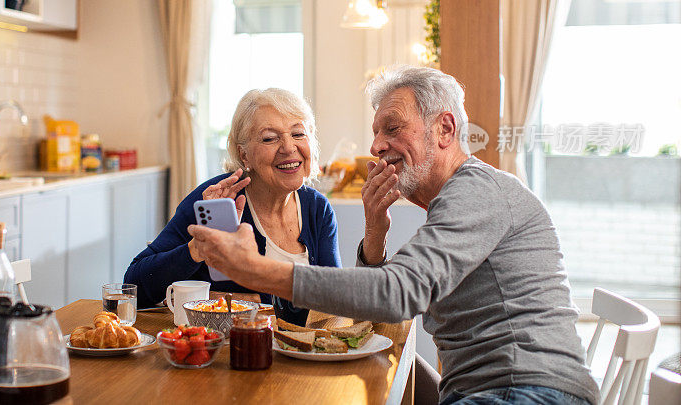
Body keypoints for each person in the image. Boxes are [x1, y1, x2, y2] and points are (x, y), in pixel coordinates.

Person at [188, 66, 599, 405]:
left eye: (392, 127)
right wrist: (374, 232)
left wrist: (255, 270)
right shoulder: (453, 203)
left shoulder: (479, 192)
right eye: (376, 131)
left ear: (444, 129)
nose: (376, 144)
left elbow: (397, 294)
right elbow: (384, 312)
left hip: (529, 392)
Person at [124, 88, 341, 326]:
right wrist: (198, 248)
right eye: (270, 138)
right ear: (244, 155)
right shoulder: (215, 200)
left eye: (298, 134)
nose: (289, 147)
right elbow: (134, 287)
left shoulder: (317, 208)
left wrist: (255, 301)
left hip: (296, 353)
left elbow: (331, 301)